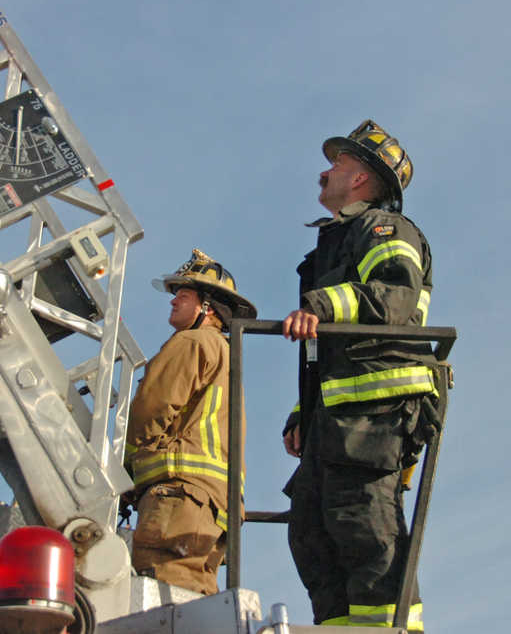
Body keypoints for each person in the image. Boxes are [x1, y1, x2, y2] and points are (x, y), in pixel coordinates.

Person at [281, 119, 438, 630]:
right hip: (336, 417)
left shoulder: (385, 230)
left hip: (374, 414)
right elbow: (322, 351)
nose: (324, 173)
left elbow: (398, 294)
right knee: (310, 528)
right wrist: (303, 411)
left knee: (366, 528)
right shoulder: (332, 243)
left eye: (337, 164)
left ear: (361, 179)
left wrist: (325, 303)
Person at [124, 249, 257, 595]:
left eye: (183, 295)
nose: (173, 302)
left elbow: (151, 409)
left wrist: (125, 466)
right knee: (194, 602)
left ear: (208, 307)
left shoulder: (192, 342)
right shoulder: (227, 354)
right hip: (212, 507)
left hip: (179, 496)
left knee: (165, 599)